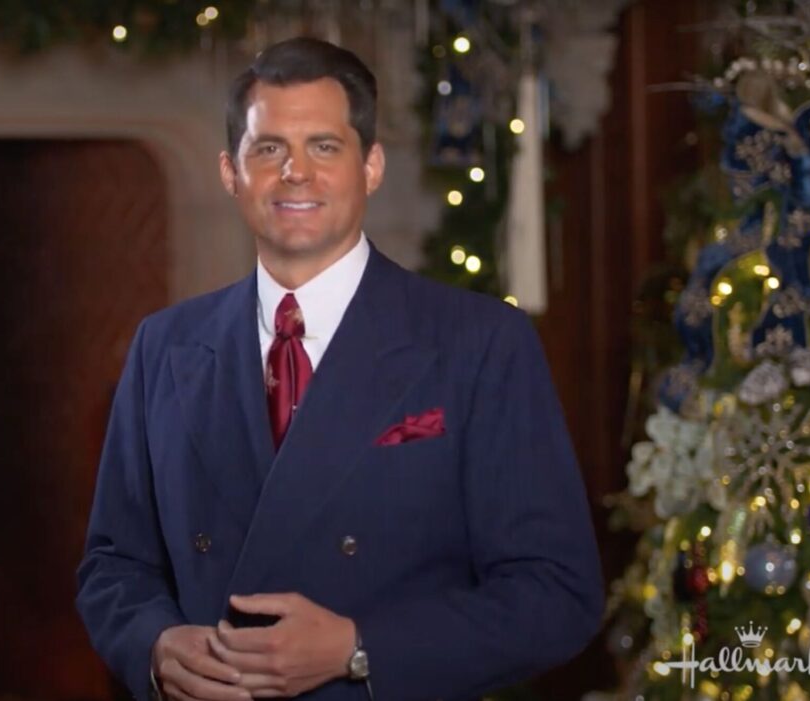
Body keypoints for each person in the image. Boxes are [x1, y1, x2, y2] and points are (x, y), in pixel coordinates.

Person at [76, 36, 603, 701]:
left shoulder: (480, 342)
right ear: (230, 172)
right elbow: (114, 564)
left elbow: (557, 592)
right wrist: (154, 646)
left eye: (324, 146)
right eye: (269, 149)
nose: (295, 172)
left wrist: (359, 649)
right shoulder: (165, 345)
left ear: (371, 166)